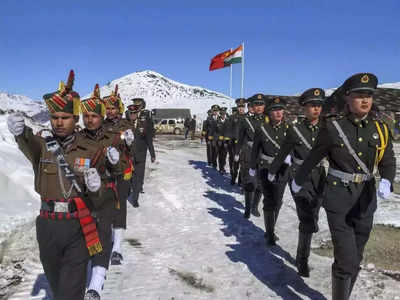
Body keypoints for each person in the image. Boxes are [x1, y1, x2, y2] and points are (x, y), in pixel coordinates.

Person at [292, 73, 396, 300]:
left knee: (356, 257)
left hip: (366, 199)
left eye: (368, 95)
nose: (365, 100)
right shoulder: (333, 128)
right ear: (347, 98)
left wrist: (388, 179)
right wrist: (298, 180)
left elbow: (388, 160)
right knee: (346, 258)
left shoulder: (381, 129)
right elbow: (313, 157)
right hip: (339, 197)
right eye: (359, 95)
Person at [7, 71, 104, 300]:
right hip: (47, 226)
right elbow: (27, 141)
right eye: (55, 117)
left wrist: (96, 186)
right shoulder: (42, 145)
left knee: (69, 293)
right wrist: (20, 133)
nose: (59, 122)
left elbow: (99, 198)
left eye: (65, 117)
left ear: (75, 119)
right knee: (58, 286)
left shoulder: (90, 150)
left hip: (77, 225)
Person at [268, 88, 326, 276]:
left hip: (319, 177)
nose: (316, 109)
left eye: (319, 105)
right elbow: (283, 152)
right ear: (304, 108)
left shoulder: (328, 129)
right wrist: (273, 170)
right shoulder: (296, 130)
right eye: (312, 105)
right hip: (299, 177)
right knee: (306, 216)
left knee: (314, 215)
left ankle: (304, 249)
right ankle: (303, 260)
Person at [80, 84, 124, 300]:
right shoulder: (77, 139)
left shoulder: (112, 138)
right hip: (82, 195)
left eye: (94, 116)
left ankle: (96, 282)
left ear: (101, 116)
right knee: (84, 235)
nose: (90, 120)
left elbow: (120, 168)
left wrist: (116, 163)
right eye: (85, 116)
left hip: (105, 192)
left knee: (103, 234)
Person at [250, 96, 290, 246]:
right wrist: (253, 167)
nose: (279, 112)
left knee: (278, 201)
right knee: (269, 201)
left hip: (283, 170)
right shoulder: (262, 130)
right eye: (275, 110)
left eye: (280, 109)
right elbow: (255, 150)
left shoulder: (289, 128)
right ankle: (269, 233)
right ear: (269, 112)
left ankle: (271, 227)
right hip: (266, 169)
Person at [103, 86, 135, 266]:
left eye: (113, 108)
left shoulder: (126, 125)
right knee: (105, 204)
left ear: (119, 109)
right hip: (105, 171)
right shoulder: (102, 124)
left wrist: (130, 142)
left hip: (122, 170)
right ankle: (106, 238)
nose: (110, 111)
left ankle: (117, 247)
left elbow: (132, 147)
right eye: (107, 108)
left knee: (120, 205)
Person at [235, 94, 265, 219]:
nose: (258, 107)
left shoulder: (267, 120)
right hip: (249, 153)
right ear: (252, 106)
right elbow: (240, 138)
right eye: (255, 105)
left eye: (261, 104)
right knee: (249, 183)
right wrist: (237, 152)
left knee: (261, 184)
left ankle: (255, 206)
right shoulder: (245, 120)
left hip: (263, 155)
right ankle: (247, 208)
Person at [126, 98, 156, 208]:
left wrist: (152, 154)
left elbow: (148, 139)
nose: (132, 115)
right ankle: (130, 190)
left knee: (138, 177)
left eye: (134, 113)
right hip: (129, 155)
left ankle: (135, 198)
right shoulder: (126, 124)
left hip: (140, 155)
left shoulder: (144, 122)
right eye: (131, 113)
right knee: (130, 176)